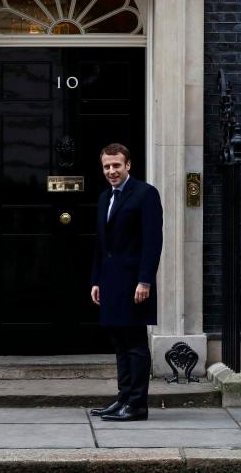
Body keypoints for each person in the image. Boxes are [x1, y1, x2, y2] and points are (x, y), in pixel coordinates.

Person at [88, 143, 162, 422]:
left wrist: (145, 281)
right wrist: (96, 280)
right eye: (107, 166)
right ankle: (123, 398)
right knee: (120, 343)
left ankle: (137, 404)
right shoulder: (104, 197)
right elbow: (101, 245)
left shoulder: (145, 194)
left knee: (135, 344)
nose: (111, 171)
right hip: (110, 281)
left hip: (134, 284)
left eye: (116, 165)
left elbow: (152, 243)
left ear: (128, 165)